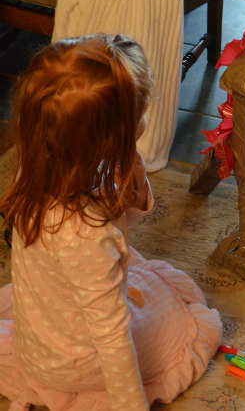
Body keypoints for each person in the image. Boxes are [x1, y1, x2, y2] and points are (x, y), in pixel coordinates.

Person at [0, 34, 222, 410]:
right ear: (108, 136)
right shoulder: (87, 236)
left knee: (144, 277)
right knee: (189, 323)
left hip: (41, 332)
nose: (146, 116)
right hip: (78, 362)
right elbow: (112, 338)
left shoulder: (44, 163)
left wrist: (133, 175)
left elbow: (125, 219)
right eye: (140, 113)